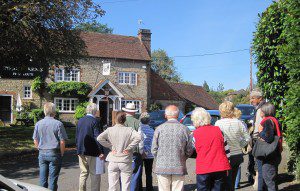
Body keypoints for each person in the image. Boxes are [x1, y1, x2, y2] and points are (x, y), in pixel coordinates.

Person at [151, 105, 194, 191]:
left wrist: (160, 158)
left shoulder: (159, 129)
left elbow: (154, 149)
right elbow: (189, 149)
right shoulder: (185, 129)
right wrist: (183, 158)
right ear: (177, 116)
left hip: (162, 166)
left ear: (165, 115)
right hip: (179, 165)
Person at [97, 111, 141, 191]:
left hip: (113, 159)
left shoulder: (109, 129)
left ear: (115, 119)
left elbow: (99, 138)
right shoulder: (129, 130)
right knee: (125, 186)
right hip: (125, 160)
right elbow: (138, 137)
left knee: (112, 186)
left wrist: (110, 146)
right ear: (125, 120)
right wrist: (129, 147)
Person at [191, 107, 231, 191]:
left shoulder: (194, 134)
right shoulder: (219, 130)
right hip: (220, 167)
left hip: (204, 168)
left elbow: (192, 151)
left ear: (195, 120)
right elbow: (227, 150)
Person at [215, 101, 250, 191]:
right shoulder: (239, 122)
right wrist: (240, 144)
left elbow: (218, 141)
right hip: (237, 155)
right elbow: (247, 138)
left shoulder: (218, 123)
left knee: (224, 183)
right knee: (232, 182)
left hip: (225, 156)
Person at [32, 102, 68, 191]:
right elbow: (62, 141)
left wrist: (39, 148)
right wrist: (62, 153)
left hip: (42, 152)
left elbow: (35, 140)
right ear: (53, 112)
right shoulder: (58, 124)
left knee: (42, 179)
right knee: (53, 179)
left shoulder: (38, 123)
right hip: (54, 153)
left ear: (44, 111)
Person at [76, 103, 105, 191]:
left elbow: (77, 135)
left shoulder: (80, 120)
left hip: (81, 150)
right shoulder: (95, 121)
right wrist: (101, 152)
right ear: (95, 111)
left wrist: (78, 148)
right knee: (95, 174)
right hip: (93, 151)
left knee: (83, 173)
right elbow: (98, 138)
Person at [257, 102, 282, 191]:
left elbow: (268, 137)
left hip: (269, 155)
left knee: (269, 180)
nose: (259, 111)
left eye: (261, 110)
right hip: (275, 153)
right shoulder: (275, 120)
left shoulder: (267, 121)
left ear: (264, 111)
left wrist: (260, 131)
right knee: (272, 179)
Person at [122, 102, 144, 191]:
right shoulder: (137, 122)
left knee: (123, 173)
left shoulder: (120, 121)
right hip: (134, 151)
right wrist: (141, 152)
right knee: (134, 174)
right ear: (134, 112)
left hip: (122, 151)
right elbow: (140, 139)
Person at [250, 90, 266, 190]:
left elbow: (259, 127)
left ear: (260, 98)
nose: (251, 100)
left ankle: (260, 186)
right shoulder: (262, 107)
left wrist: (254, 137)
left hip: (260, 140)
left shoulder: (260, 109)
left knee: (259, 165)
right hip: (263, 139)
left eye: (253, 98)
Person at [233, 109, 250, 189]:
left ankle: (232, 183)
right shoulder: (242, 123)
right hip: (239, 147)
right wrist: (241, 145)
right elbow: (247, 138)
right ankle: (236, 184)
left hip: (230, 146)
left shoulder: (229, 123)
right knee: (238, 165)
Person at [139, 112, 155, 191]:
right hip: (149, 155)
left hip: (140, 153)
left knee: (139, 172)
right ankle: (149, 188)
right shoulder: (152, 130)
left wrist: (143, 151)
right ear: (149, 121)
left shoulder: (138, 129)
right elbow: (153, 144)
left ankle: (139, 188)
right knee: (148, 173)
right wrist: (147, 151)